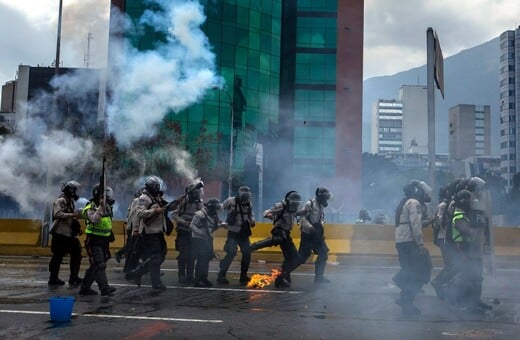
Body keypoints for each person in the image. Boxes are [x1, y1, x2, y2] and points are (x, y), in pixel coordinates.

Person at [448, 188, 492, 312]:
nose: (471, 202)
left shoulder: (467, 215)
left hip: (471, 249)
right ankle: (462, 302)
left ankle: (475, 301)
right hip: (462, 249)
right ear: (463, 201)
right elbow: (469, 232)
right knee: (468, 277)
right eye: (469, 200)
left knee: (477, 276)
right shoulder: (458, 216)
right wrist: (480, 227)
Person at [393, 179, 433, 316]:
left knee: (411, 272)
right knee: (420, 272)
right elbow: (416, 225)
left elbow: (415, 223)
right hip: (410, 242)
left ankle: (406, 301)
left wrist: (429, 222)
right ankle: (405, 297)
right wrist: (420, 243)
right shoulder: (414, 203)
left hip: (402, 241)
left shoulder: (406, 202)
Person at [250, 191, 302, 288]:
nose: (295, 206)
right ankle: (253, 247)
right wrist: (269, 215)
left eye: (297, 204)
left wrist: (307, 211)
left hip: (287, 233)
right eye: (294, 203)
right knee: (278, 239)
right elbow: (266, 212)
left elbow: (298, 213)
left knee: (294, 258)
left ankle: (282, 277)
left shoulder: (293, 210)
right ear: (288, 201)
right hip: (279, 230)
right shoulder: (280, 206)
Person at [79, 185, 117, 296]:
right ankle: (104, 288)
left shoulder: (108, 207)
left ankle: (85, 288)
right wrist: (100, 207)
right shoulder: (90, 207)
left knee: (96, 264)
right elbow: (94, 219)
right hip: (93, 239)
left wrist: (110, 233)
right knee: (99, 264)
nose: (109, 197)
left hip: (104, 239)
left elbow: (107, 221)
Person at [131, 175, 168, 290]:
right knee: (156, 257)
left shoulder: (155, 197)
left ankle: (140, 270)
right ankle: (156, 283)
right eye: (155, 186)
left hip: (158, 231)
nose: (157, 188)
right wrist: (155, 210)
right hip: (150, 233)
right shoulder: (144, 198)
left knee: (161, 255)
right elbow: (140, 213)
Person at [217, 186, 255, 285]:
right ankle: (221, 275)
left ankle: (243, 276)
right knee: (231, 253)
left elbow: (251, 214)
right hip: (233, 232)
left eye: (247, 195)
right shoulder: (231, 201)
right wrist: (219, 221)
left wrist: (252, 220)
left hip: (243, 232)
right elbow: (220, 209)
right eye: (244, 195)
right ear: (239, 194)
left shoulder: (248, 204)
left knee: (247, 253)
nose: (245, 197)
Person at [48, 180, 83, 286]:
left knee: (77, 254)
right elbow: (58, 213)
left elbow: (71, 216)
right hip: (60, 233)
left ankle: (74, 277)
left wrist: (77, 227)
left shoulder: (70, 201)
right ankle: (53, 278)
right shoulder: (61, 200)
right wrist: (72, 215)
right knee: (57, 256)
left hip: (69, 234)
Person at [296, 187, 331, 285]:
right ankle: (283, 273)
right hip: (308, 235)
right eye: (325, 197)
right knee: (302, 257)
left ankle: (319, 278)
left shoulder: (320, 206)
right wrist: (311, 228)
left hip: (317, 235)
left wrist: (320, 231)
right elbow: (302, 219)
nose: (326, 200)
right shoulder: (309, 204)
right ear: (319, 196)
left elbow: (320, 220)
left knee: (323, 254)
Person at [172, 181, 204, 285]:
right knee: (183, 255)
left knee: (192, 255)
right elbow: (174, 215)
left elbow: (202, 215)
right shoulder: (182, 202)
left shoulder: (199, 203)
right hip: (183, 231)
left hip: (193, 233)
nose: (196, 195)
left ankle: (190, 276)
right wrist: (184, 222)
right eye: (194, 193)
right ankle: (181, 276)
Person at [190, 198, 224, 287]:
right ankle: (197, 280)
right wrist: (200, 233)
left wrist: (221, 225)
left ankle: (204, 278)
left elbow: (212, 227)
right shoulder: (200, 215)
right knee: (201, 259)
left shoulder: (214, 216)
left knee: (206, 259)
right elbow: (192, 225)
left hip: (208, 239)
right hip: (198, 239)